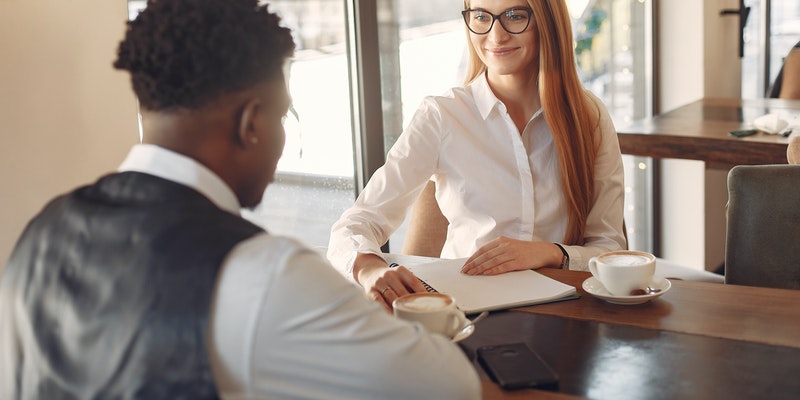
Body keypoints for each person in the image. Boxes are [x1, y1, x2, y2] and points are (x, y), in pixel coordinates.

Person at [0, 1, 480, 399]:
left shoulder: (40, 233)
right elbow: (450, 386)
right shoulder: (264, 272)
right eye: (283, 115)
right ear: (251, 123)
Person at [327, 0, 626, 310]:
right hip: (464, 315)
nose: (496, 36)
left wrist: (550, 252)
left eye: (515, 15)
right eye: (482, 16)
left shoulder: (588, 117)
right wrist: (372, 270)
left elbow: (612, 251)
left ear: (547, 21)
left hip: (565, 316)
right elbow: (354, 226)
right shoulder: (442, 116)